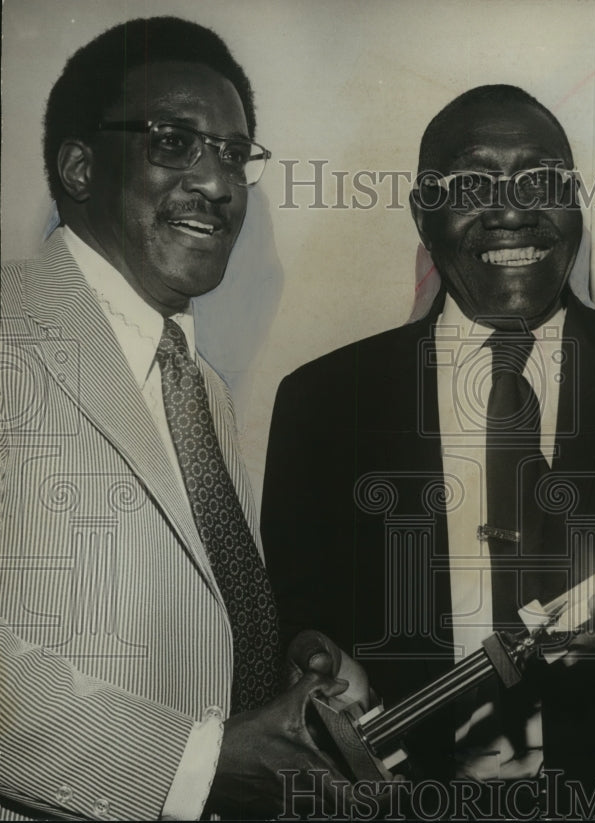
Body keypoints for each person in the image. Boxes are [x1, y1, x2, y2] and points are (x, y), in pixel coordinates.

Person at [262, 85, 595, 803]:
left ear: (576, 205)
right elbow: (291, 626)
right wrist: (308, 662)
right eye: (473, 183)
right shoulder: (323, 401)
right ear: (424, 212)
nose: (513, 208)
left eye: (542, 181)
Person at [0, 17, 366, 820]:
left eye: (234, 154)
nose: (219, 183)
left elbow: (194, 621)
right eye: (175, 141)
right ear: (80, 165)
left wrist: (280, 665)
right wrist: (190, 764)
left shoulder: (201, 387)